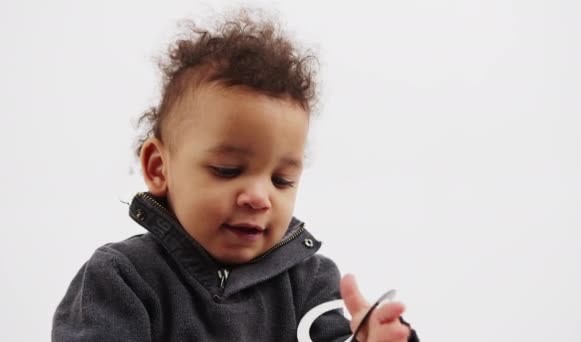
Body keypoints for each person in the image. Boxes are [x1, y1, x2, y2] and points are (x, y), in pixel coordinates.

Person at [52, 10, 418, 342]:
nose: (259, 197)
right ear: (158, 168)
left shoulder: (309, 283)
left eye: (281, 180)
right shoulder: (122, 279)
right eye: (228, 170)